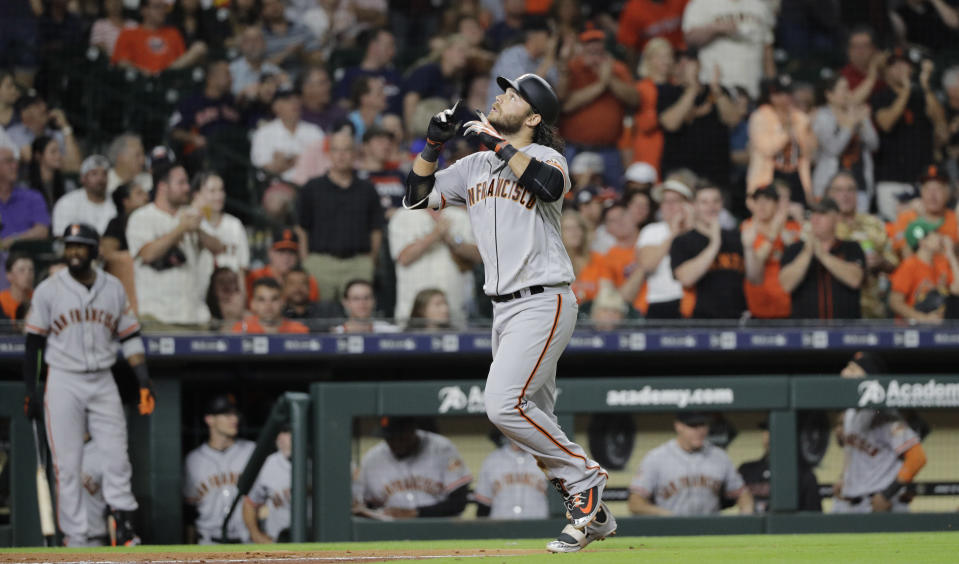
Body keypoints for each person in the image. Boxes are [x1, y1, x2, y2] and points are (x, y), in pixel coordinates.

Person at [404, 74, 615, 553]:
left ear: (534, 117)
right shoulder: (476, 163)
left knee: (502, 405)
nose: (500, 97)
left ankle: (586, 479)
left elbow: (546, 185)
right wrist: (434, 143)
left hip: (545, 298)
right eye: (502, 91)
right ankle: (595, 516)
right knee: (535, 418)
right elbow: (416, 194)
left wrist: (492, 141)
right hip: (504, 308)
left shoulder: (546, 157)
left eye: (513, 95)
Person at [23, 223, 155, 547]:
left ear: (95, 250)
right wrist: (32, 389)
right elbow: (33, 344)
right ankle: (76, 536)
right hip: (64, 379)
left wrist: (144, 383)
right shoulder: (49, 290)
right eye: (70, 246)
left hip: (102, 378)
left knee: (116, 457)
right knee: (67, 465)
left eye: (80, 246)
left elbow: (131, 337)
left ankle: (124, 526)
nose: (74, 252)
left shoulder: (113, 288)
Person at [126, 156, 223, 327]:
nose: (187, 188)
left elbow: (218, 247)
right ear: (163, 187)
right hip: (157, 317)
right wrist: (181, 229)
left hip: (194, 315)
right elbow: (147, 255)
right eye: (181, 183)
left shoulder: (191, 214)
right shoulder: (142, 217)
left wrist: (198, 231)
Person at [833, 352, 928, 513]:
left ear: (869, 379)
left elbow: (917, 458)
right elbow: (857, 455)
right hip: (851, 504)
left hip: (879, 505)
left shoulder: (884, 415)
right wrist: (844, 479)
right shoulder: (850, 412)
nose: (844, 373)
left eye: (852, 369)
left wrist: (886, 494)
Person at [298, 132, 385, 302]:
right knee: (321, 318)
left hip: (358, 263)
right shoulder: (312, 187)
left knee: (359, 320)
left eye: (346, 150)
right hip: (320, 264)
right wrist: (307, 261)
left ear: (355, 154)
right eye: (336, 150)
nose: (341, 155)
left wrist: (371, 260)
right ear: (329, 154)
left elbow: (376, 229)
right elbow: (302, 228)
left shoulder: (368, 189)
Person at [628, 411, 754, 516]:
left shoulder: (720, 456)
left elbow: (742, 494)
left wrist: (746, 513)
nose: (699, 430)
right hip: (670, 530)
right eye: (693, 426)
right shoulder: (656, 458)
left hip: (711, 530)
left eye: (703, 425)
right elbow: (635, 503)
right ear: (679, 426)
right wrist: (665, 515)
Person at [558, 27, 638, 188]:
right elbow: (564, 104)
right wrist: (602, 84)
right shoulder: (573, 68)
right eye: (590, 51)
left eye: (599, 52)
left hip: (609, 149)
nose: (595, 57)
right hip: (574, 147)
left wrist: (610, 80)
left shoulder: (617, 69)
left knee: (614, 192)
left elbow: (635, 99)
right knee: (566, 192)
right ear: (581, 51)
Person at [872, 51, 947, 221]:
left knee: (925, 229)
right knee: (895, 231)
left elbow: (940, 120)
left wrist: (926, 87)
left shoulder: (921, 95)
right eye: (894, 65)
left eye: (904, 64)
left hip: (921, 180)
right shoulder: (881, 96)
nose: (900, 69)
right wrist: (906, 91)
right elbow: (886, 123)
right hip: (891, 179)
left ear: (911, 68)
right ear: (887, 71)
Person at [671, 183, 761, 319]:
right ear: (694, 206)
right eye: (704, 202)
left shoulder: (735, 237)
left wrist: (749, 248)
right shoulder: (683, 241)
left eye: (715, 201)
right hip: (699, 321)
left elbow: (756, 279)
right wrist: (714, 244)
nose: (711, 207)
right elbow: (686, 278)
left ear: (721, 204)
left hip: (737, 319)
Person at [352, 417, 471, 519]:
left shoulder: (442, 448)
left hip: (439, 526)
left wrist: (416, 513)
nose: (395, 443)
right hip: (391, 530)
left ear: (412, 429)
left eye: (400, 437)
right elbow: (365, 505)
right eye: (390, 438)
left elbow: (459, 501)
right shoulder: (371, 459)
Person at [658, 52, 742, 191]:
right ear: (675, 68)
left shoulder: (717, 91)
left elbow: (733, 119)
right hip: (681, 174)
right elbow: (670, 124)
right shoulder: (668, 92)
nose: (687, 68)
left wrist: (716, 90)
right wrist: (692, 89)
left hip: (716, 174)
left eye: (691, 63)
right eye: (682, 64)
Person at [388, 203, 477, 325]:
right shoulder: (402, 216)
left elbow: (478, 255)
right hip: (412, 310)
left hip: (453, 308)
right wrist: (435, 235)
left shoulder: (460, 216)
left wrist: (453, 240)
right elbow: (404, 257)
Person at [183, 394, 255, 544]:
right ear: (210, 419)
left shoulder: (251, 451)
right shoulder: (193, 459)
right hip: (208, 542)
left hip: (246, 540)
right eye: (227, 414)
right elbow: (190, 511)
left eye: (235, 414)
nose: (234, 419)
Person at [779, 198, 865, 319]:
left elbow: (855, 280)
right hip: (805, 331)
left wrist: (823, 255)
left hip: (846, 331)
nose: (816, 218)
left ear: (837, 218)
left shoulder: (851, 247)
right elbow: (786, 285)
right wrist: (807, 252)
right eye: (813, 213)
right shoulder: (795, 249)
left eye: (822, 213)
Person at [828, 172, 898, 319]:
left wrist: (880, 262)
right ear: (829, 194)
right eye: (839, 190)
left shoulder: (875, 224)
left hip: (872, 309)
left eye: (850, 190)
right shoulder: (821, 225)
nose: (845, 195)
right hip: (833, 309)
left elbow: (894, 264)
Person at [682, 0, 776, 99]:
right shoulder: (700, 4)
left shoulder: (760, 5)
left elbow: (767, 50)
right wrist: (715, 28)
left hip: (754, 86)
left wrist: (773, 88)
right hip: (716, 88)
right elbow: (690, 39)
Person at [746, 75, 816, 206]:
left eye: (789, 93)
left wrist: (807, 128)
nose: (787, 98)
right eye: (781, 93)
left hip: (795, 175)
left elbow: (809, 153)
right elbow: (767, 149)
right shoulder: (760, 117)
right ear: (772, 96)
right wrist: (786, 132)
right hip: (770, 175)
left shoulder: (800, 117)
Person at [812, 75, 879, 208]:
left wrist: (863, 122)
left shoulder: (856, 112)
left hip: (859, 184)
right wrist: (849, 125)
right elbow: (833, 148)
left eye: (848, 89)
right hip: (830, 185)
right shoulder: (821, 117)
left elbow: (874, 144)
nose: (848, 94)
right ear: (829, 95)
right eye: (843, 89)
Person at [169, 60, 242, 169]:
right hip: (206, 153)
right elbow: (174, 131)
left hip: (233, 152)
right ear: (211, 78)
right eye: (227, 74)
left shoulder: (233, 101)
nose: (231, 79)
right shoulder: (191, 102)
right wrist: (194, 138)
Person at [741, 184, 800, 319]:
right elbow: (756, 266)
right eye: (758, 200)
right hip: (757, 307)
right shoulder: (746, 230)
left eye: (768, 200)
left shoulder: (792, 228)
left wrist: (798, 220)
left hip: (789, 306)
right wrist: (773, 234)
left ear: (777, 204)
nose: (762, 205)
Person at [636, 179, 693, 318]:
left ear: (688, 205)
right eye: (665, 201)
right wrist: (673, 234)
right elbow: (647, 265)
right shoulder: (651, 231)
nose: (669, 206)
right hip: (659, 300)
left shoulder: (697, 231)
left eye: (675, 201)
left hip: (692, 300)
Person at [738, 420, 821, 514]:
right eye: (767, 431)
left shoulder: (804, 475)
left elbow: (814, 516)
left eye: (778, 431)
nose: (770, 436)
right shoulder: (746, 470)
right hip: (753, 526)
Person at [485, 17, 562, 113]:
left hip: (522, 122)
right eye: (549, 36)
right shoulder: (512, 55)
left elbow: (559, 95)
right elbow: (523, 93)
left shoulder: (543, 60)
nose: (553, 42)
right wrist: (548, 59)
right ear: (535, 36)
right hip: (498, 120)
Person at [889, 218, 959, 322]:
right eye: (935, 233)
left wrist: (951, 255)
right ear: (923, 242)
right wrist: (923, 318)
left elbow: (957, 289)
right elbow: (895, 302)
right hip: (913, 330)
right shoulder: (909, 265)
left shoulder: (941, 263)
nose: (940, 236)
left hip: (939, 327)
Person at [250, 85, 325, 180]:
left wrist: (286, 161)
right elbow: (263, 173)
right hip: (279, 187)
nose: (294, 103)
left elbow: (325, 164)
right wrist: (302, 159)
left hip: (312, 187)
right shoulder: (263, 134)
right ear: (276, 106)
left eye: (297, 98)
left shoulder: (314, 131)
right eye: (287, 99)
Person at [111, 0, 200, 75]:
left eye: (164, 7)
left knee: (199, 48)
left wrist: (164, 73)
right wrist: (145, 73)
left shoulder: (173, 33)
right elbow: (121, 62)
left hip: (169, 80)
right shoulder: (128, 34)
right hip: (140, 81)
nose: (162, 11)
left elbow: (181, 61)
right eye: (157, 7)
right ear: (143, 10)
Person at [102, 180, 150, 312]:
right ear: (126, 201)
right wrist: (136, 255)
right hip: (127, 280)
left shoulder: (152, 220)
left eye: (145, 193)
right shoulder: (117, 223)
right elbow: (107, 253)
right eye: (139, 194)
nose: (146, 197)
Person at [474, 435, 550, 519]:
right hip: (500, 527)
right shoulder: (492, 460)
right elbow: (483, 504)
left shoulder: (547, 459)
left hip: (538, 527)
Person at [333, 28, 404, 116]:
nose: (393, 51)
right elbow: (341, 104)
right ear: (373, 46)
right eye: (389, 46)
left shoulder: (394, 74)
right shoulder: (351, 74)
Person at [627, 38, 673, 175]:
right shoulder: (642, 87)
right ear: (649, 59)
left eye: (669, 56)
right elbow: (644, 124)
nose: (667, 61)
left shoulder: (675, 85)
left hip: (673, 145)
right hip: (649, 146)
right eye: (661, 57)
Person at [890, 165, 958, 256]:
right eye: (927, 188)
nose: (932, 195)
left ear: (947, 192)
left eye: (938, 189)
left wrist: (924, 218)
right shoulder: (907, 217)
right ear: (921, 191)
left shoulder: (955, 219)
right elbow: (905, 254)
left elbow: (954, 252)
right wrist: (921, 220)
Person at [7, 94, 81, 175]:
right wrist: (62, 164)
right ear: (25, 113)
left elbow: (76, 166)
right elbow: (35, 161)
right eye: (37, 105)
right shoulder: (14, 133)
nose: (44, 107)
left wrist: (65, 126)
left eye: (43, 103)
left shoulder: (57, 135)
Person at [243, 427, 293, 544]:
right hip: (277, 540)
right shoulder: (268, 464)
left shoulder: (317, 461)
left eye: (288, 433)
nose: (282, 437)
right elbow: (249, 503)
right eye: (282, 432)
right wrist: (256, 534)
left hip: (314, 538)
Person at [247, 228, 319, 304]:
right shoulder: (254, 277)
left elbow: (312, 311)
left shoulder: (307, 281)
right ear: (270, 253)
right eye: (281, 252)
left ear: (298, 256)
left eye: (291, 252)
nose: (286, 258)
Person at [0, 145, 50, 253]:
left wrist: (14, 239)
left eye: (15, 161)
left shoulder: (32, 197)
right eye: (9, 161)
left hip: (25, 259)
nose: (15, 166)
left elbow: (42, 231)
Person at [52, 155, 117, 235]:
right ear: (83, 178)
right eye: (94, 174)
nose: (100, 178)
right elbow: (60, 236)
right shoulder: (67, 203)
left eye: (104, 174)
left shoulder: (116, 201)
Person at [617, 0, 688, 70]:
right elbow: (629, 46)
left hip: (679, 53)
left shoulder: (680, 1)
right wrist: (633, 73)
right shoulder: (634, 8)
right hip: (649, 59)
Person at [260, 0, 324, 74]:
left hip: (303, 79)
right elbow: (258, 67)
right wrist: (287, 53)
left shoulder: (302, 29)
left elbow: (319, 61)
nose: (274, 7)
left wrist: (302, 53)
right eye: (268, 5)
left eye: (277, 2)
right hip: (274, 81)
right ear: (262, 11)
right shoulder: (261, 36)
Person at [564, 209, 609, 306]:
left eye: (577, 227)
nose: (574, 232)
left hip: (592, 315)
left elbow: (606, 293)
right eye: (568, 229)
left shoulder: (598, 259)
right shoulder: (555, 262)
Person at [232, 277, 309, 334]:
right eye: (261, 299)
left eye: (274, 299)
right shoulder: (241, 330)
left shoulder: (299, 331)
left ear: (283, 302)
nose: (268, 305)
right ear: (253, 304)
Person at [230, 26, 285, 100]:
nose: (253, 44)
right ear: (241, 45)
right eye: (248, 41)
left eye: (257, 40)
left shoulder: (274, 70)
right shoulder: (231, 70)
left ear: (264, 45)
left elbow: (287, 89)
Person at [332, 279, 398, 334]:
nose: (362, 303)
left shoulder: (390, 332)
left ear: (374, 301)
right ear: (345, 302)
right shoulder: (334, 334)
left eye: (367, 298)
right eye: (356, 298)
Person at [0, 253, 33, 319]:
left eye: (31, 270)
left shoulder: (38, 298)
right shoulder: (1, 301)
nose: (28, 274)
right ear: (9, 275)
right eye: (22, 270)